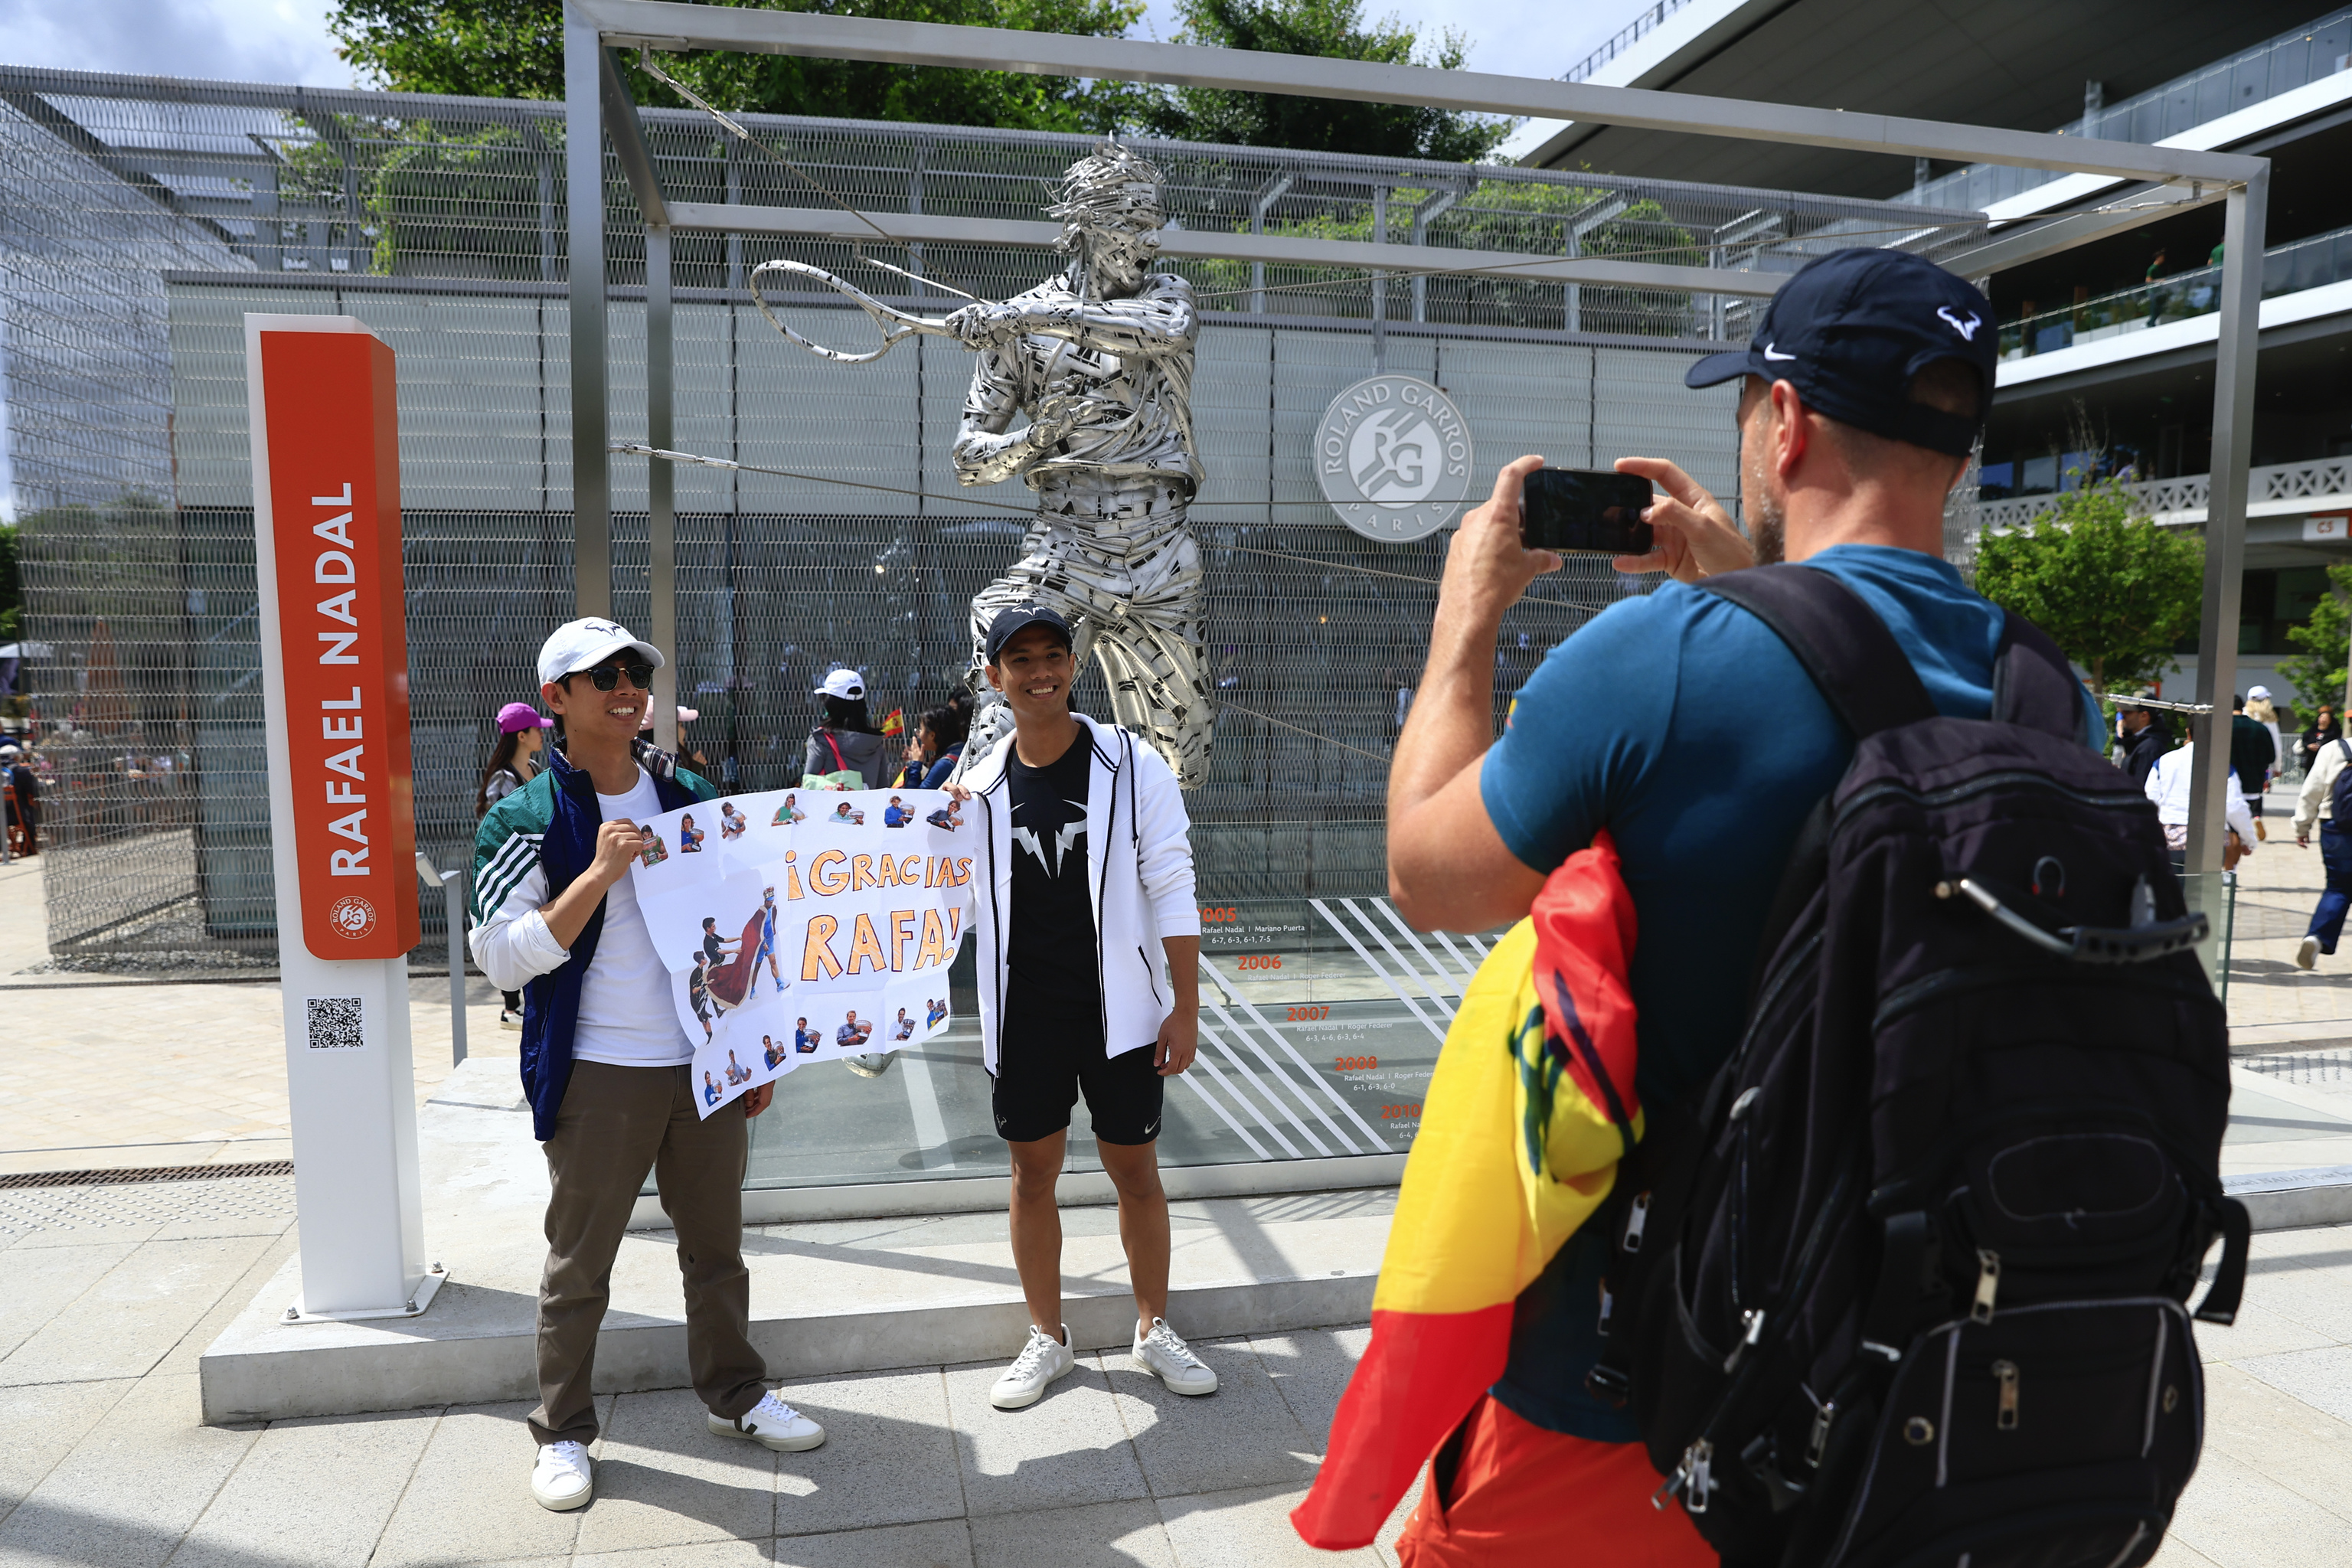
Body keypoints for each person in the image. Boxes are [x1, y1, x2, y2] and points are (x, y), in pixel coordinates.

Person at [1380, 250, 2104, 1566]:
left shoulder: (1658, 657)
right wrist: (1738, 585)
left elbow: (1432, 878)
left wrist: (1465, 612)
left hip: (1629, 1391)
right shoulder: (2050, 694)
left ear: (1787, 421)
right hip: (1906, 1387)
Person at [469, 617, 823, 1515]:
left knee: (718, 1250)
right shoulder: (524, 812)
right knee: (579, 1263)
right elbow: (500, 957)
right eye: (603, 676)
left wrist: (754, 1048)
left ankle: (736, 1394)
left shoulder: (691, 792)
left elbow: (752, 919)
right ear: (556, 699)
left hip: (702, 1062)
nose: (627, 688)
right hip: (598, 1071)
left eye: (636, 671)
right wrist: (593, 876)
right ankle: (562, 1430)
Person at [937, 603, 1217, 1412]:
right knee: (1032, 1174)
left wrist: (1184, 1005)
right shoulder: (978, 788)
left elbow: (1173, 882)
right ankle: (1047, 1336)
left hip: (1122, 1011)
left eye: (1052, 655)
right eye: (1018, 659)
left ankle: (1153, 1325)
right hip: (1026, 1013)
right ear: (995, 677)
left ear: (1073, 665)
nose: (1038, 672)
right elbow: (940, 902)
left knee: (1136, 1168)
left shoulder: (1134, 766)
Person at [478, 704, 552, 1026]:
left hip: (541, 865)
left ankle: (529, 1004)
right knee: (515, 929)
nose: (542, 735)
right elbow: (491, 824)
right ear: (521, 736)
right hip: (513, 868)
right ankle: (511, 1007)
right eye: (537, 730)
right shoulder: (504, 778)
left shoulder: (536, 767)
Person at [2145, 737, 2255, 874]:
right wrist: (2248, 840)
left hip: (2171, 837)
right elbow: (2234, 806)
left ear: (2188, 732)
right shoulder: (2222, 765)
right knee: (2204, 891)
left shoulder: (2162, 762)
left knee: (2173, 890)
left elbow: (2150, 799)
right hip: (2210, 840)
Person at [2295, 730, 2352, 969]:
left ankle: (2316, 937)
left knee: (2338, 888)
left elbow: (2312, 791)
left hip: (2335, 825)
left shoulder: (2335, 748)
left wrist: (2302, 825)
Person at [805, 668, 890, 789]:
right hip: (867, 807)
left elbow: (808, 786)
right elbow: (882, 789)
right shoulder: (876, 744)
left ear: (830, 703)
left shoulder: (820, 741)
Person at [2230, 694, 2277, 838]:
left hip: (2228, 783)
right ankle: (2256, 819)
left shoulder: (2221, 727)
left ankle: (2232, 851)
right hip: (2253, 784)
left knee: (2231, 830)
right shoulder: (2261, 729)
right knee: (2248, 814)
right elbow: (2271, 756)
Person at [2116, 695, 2173, 789]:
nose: (2122, 716)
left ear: (2144, 716)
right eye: (2121, 712)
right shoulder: (2138, 742)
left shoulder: (2150, 747)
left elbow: (2141, 789)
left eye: (2127, 712)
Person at [1, 742, 38, 858]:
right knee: (36, 807)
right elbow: (34, 791)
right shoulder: (20, 771)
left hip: (2, 817)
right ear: (16, 757)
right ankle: (28, 847)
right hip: (17, 815)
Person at [2247, 684, 2286, 780]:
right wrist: (2278, 767)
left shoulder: (2244, 714)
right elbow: (2276, 744)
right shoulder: (2270, 720)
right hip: (2260, 761)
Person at [2304, 704, 2342, 772]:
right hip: (2311, 758)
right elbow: (2304, 741)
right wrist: (2309, 746)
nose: (2323, 719)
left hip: (2327, 759)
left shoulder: (2334, 732)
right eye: (2321, 717)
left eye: (2326, 718)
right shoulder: (2312, 730)